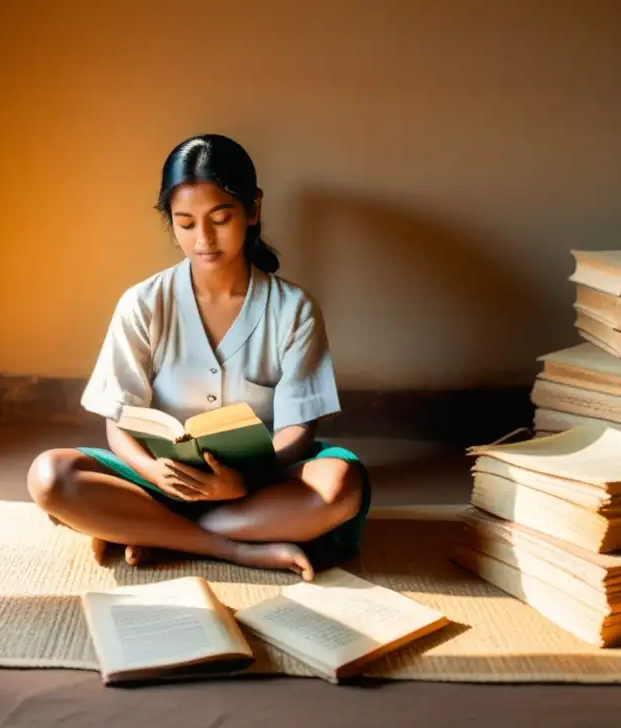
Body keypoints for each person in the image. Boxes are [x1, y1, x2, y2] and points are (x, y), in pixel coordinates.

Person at [27, 134, 371, 581]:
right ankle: (230, 547)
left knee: (340, 488)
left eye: (220, 217)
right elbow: (118, 419)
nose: (203, 238)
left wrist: (242, 482)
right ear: (170, 223)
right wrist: (153, 470)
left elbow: (299, 427)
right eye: (185, 223)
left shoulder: (293, 310)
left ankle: (147, 529)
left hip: (254, 487)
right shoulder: (143, 303)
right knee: (49, 476)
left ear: (252, 211)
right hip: (155, 482)